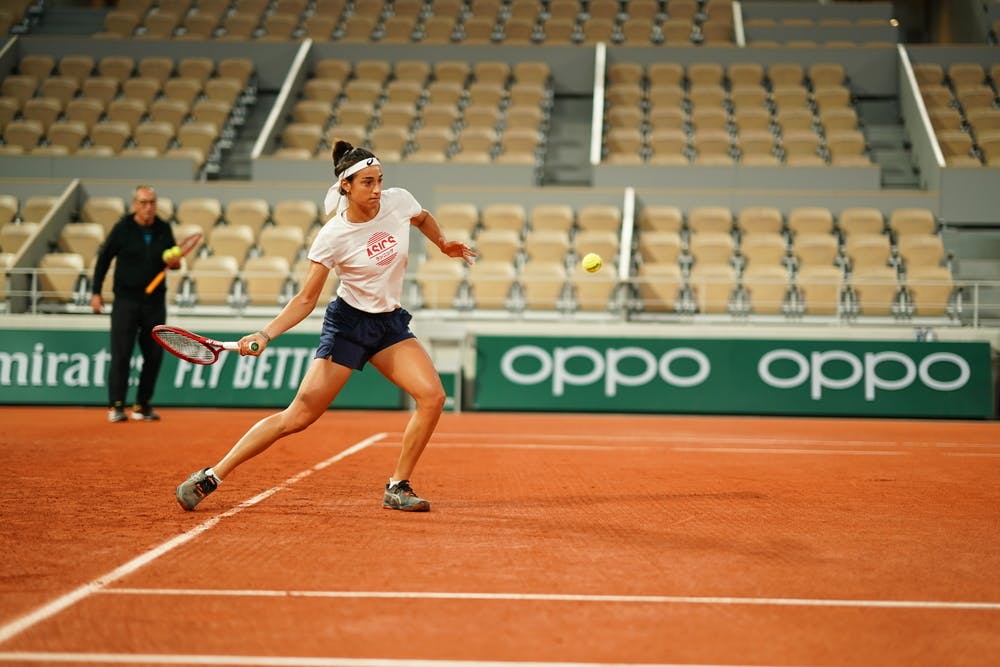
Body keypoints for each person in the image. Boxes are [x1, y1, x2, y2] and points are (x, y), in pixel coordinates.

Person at [175, 141, 476, 513]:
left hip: (389, 325)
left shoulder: (399, 201)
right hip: (349, 325)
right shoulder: (333, 236)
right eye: (367, 182)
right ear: (345, 186)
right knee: (297, 417)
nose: (378, 189)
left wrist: (443, 243)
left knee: (432, 397)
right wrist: (266, 333)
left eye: (380, 180)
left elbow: (422, 217)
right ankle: (212, 475)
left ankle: (397, 486)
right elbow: (305, 299)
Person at [91, 185, 181, 423]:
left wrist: (174, 264)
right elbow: (104, 259)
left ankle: (142, 404)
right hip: (126, 301)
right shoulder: (123, 228)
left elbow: (174, 262)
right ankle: (116, 405)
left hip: (154, 302)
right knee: (122, 354)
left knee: (153, 355)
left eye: (152, 202)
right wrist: (95, 292)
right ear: (134, 204)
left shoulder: (163, 229)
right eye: (143, 202)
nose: (148, 207)